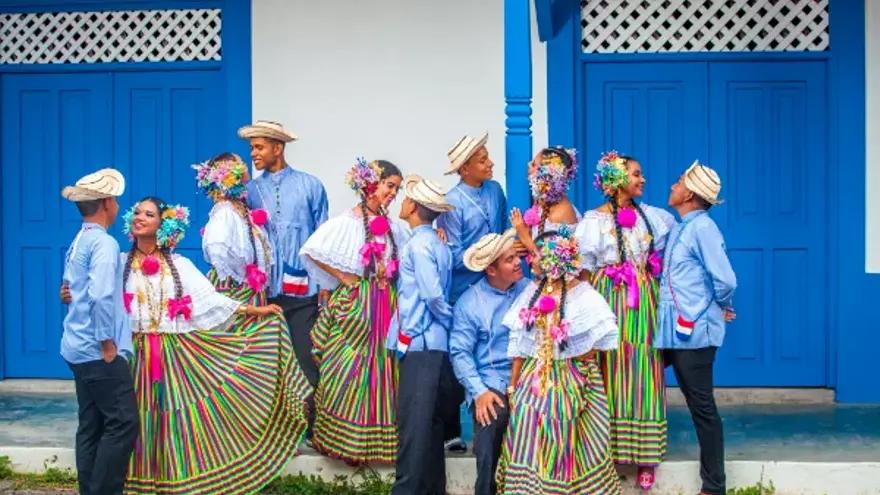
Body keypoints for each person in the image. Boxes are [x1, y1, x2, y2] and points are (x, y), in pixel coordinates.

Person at [118, 197, 303, 494]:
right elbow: (97, 294)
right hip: (134, 356)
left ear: (163, 225)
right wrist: (71, 294)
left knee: (176, 417)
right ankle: (137, 481)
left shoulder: (179, 265)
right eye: (137, 212)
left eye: (149, 214)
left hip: (174, 355)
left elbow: (210, 300)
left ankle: (176, 479)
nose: (140, 217)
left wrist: (256, 311)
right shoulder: (119, 264)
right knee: (138, 417)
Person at [574, 150, 677, 489]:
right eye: (635, 174)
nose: (642, 179)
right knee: (610, 369)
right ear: (616, 181)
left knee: (643, 368)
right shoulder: (593, 222)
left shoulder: (654, 217)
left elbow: (668, 255)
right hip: (608, 300)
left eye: (640, 173)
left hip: (643, 302)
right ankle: (610, 453)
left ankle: (646, 456)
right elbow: (585, 272)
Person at [496, 228, 621, 495]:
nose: (531, 262)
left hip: (573, 379)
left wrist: (575, 361)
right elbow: (520, 344)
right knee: (530, 429)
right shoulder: (533, 291)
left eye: (536, 256)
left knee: (567, 432)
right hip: (535, 379)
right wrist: (513, 387)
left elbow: (599, 343)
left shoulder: (583, 295)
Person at [300, 158, 409, 465]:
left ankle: (376, 446)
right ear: (371, 184)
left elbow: (411, 246)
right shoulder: (345, 223)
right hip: (356, 306)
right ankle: (344, 443)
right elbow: (312, 250)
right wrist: (345, 278)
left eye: (396, 189)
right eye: (389, 186)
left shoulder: (392, 227)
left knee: (383, 370)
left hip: (385, 305)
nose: (392, 194)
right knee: (346, 368)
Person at [240, 120, 328, 430]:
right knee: (268, 361)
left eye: (260, 147)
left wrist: (323, 289)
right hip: (264, 293)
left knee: (306, 357)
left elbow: (321, 241)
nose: (254, 153)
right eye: (252, 148)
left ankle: (312, 425)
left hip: (303, 292)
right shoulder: (249, 191)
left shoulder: (310, 185)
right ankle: (275, 429)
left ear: (278, 148)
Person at [656, 161, 737, 495]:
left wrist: (719, 304)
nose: (673, 186)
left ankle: (714, 485)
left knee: (702, 407)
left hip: (694, 333)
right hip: (672, 331)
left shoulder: (703, 228)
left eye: (678, 182)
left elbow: (726, 279)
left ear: (689, 193)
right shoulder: (681, 226)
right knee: (635, 378)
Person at [60, 168, 137, 495]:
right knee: (123, 422)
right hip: (96, 349)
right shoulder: (103, 243)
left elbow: (70, 287)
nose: (118, 204)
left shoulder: (80, 239)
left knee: (91, 424)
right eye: (115, 199)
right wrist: (107, 342)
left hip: (75, 345)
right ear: (107, 202)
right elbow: (102, 294)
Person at [387, 175, 458, 495]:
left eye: (405, 198)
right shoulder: (438, 244)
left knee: (414, 428)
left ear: (413, 207)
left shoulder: (418, 244)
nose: (400, 202)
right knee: (429, 427)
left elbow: (431, 295)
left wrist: (446, 320)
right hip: (432, 344)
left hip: (420, 344)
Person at [437, 131, 508, 452]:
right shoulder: (451, 203)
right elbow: (451, 255)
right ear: (464, 168)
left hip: (498, 284)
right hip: (464, 289)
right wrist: (481, 257)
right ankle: (452, 429)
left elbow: (504, 230)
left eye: (488, 157)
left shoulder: (495, 190)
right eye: (482, 160)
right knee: (459, 353)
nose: (490, 163)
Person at [450, 229, 529, 495]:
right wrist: (479, 392)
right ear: (491, 270)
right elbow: (460, 353)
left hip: (530, 377)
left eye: (516, 256)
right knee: (491, 418)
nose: (518, 262)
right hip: (491, 381)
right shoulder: (470, 303)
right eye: (509, 260)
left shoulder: (528, 290)